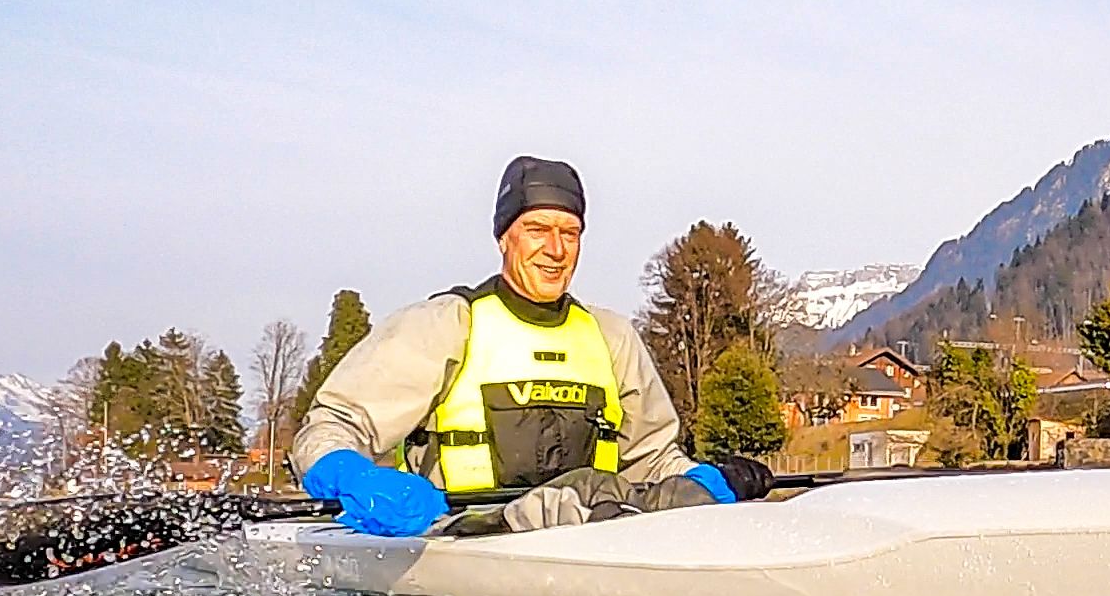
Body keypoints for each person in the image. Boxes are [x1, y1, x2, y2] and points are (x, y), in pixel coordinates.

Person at [289, 155, 771, 536]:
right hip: (466, 536)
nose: (556, 250)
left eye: (570, 233)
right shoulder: (443, 326)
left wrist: (705, 480)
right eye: (537, 230)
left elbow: (653, 459)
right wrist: (354, 477)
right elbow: (328, 428)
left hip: (591, 533)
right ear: (505, 238)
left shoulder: (613, 338)